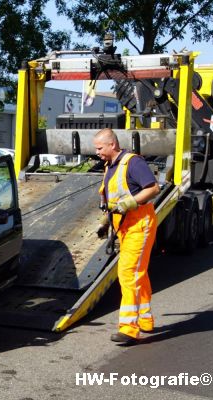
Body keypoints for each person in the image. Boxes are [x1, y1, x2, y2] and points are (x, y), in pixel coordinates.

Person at [93, 128, 160, 345]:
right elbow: (112, 199)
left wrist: (130, 203)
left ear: (112, 145)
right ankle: (145, 319)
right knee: (138, 273)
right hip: (124, 228)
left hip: (140, 226)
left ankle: (129, 329)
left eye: (100, 148)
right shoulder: (110, 166)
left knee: (128, 272)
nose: (97, 152)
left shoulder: (133, 162)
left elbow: (153, 188)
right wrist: (105, 223)